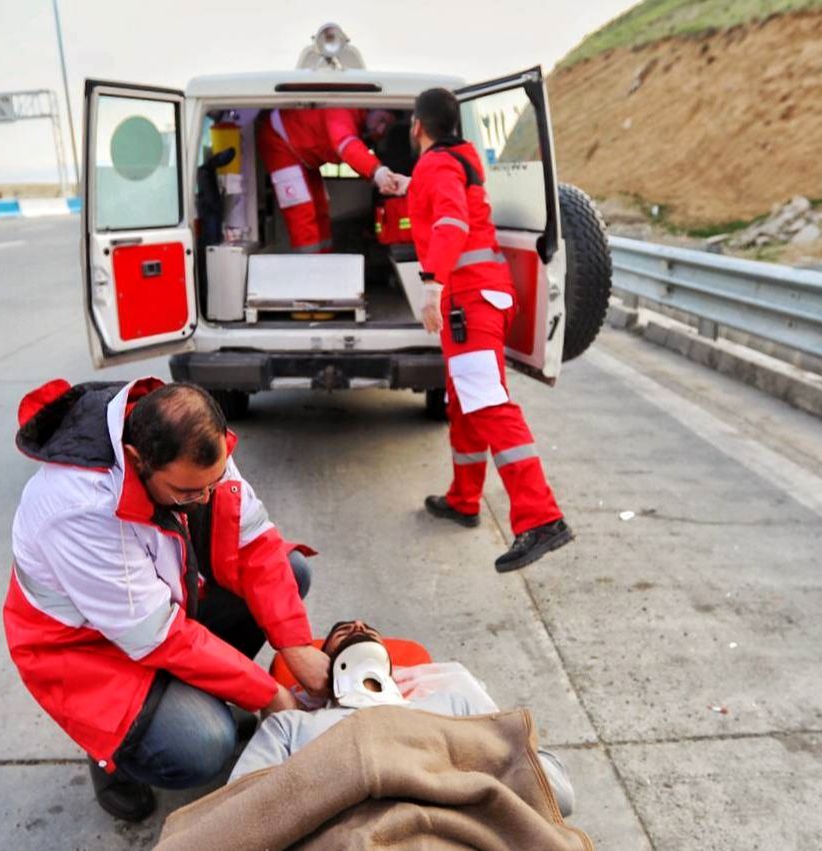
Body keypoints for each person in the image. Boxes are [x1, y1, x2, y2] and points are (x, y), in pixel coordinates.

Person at [2, 378, 330, 822]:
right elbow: (158, 637)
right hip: (86, 650)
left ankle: (189, 699)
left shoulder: (191, 446)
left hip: (156, 609)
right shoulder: (77, 509)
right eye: (189, 492)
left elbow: (254, 544)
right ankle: (110, 757)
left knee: (290, 572)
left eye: (213, 482)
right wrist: (268, 693)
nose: (205, 498)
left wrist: (296, 645)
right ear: (138, 460)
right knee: (205, 743)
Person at [406, 87, 573, 573]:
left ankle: (541, 517)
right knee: (464, 403)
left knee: (488, 406)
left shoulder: (436, 166)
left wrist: (432, 285)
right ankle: (463, 498)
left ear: (418, 126)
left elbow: (452, 224)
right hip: (486, 296)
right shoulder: (461, 159)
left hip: (467, 302)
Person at [228, 620, 575, 817]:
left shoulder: (451, 702)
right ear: (320, 670)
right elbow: (237, 812)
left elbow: (557, 794)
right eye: (343, 630)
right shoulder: (291, 725)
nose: (358, 625)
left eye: (367, 629)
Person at [257, 107, 403, 253]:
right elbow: (346, 145)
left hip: (306, 156)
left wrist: (376, 178)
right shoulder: (342, 111)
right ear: (371, 109)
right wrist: (377, 171)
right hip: (279, 142)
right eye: (381, 120)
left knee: (321, 209)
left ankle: (326, 262)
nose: (381, 130)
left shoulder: (358, 120)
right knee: (302, 216)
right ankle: (310, 271)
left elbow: (352, 154)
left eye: (387, 126)